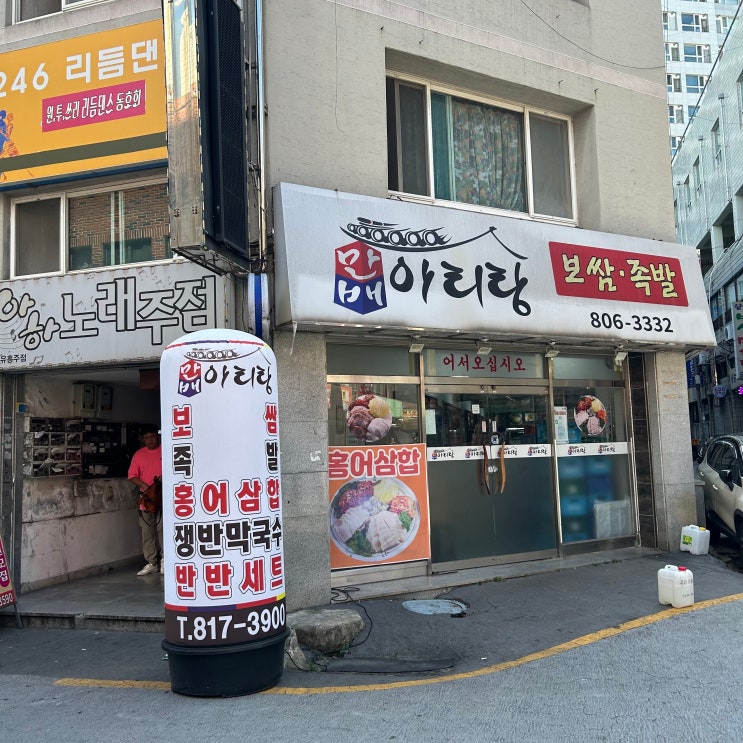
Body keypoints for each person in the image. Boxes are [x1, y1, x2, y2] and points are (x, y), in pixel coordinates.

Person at [128, 424, 163, 576]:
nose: (151, 440)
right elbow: (132, 475)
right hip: (147, 498)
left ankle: (165, 559)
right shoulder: (139, 455)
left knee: (163, 529)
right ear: (143, 439)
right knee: (147, 531)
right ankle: (151, 562)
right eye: (147, 438)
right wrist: (145, 486)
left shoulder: (166, 450)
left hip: (164, 496)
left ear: (158, 436)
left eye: (153, 436)